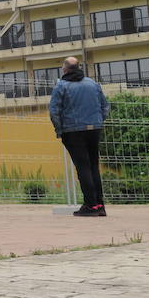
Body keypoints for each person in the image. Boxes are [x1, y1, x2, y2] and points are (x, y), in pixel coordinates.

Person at [49, 56, 110, 216]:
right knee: (93, 166)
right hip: (94, 129)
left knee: (83, 167)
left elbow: (54, 111)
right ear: (79, 67)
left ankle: (90, 206)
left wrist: (59, 130)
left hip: (73, 131)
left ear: (65, 69)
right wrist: (97, 122)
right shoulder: (92, 84)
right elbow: (105, 106)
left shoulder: (61, 86)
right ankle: (100, 206)